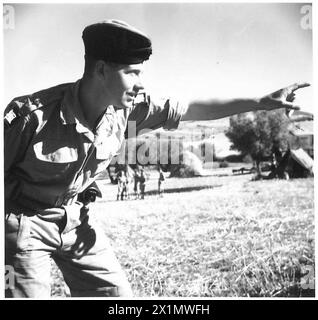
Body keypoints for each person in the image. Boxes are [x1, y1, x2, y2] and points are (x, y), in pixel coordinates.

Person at [4, 19, 308, 298]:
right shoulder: (32, 117)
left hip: (76, 219)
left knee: (118, 298)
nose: (140, 83)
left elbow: (190, 109)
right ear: (100, 70)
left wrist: (259, 102)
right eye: (132, 72)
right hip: (24, 224)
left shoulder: (128, 109)